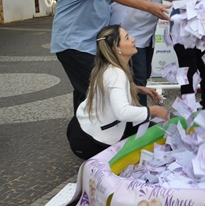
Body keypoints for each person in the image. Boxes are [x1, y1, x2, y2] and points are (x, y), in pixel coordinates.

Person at [67, 25, 169, 160]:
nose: (133, 39)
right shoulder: (116, 74)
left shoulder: (108, 67)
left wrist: (138, 88)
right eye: (127, 38)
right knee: (149, 143)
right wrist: (153, 110)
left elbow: (110, 90)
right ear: (117, 49)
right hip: (88, 141)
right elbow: (122, 112)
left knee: (150, 131)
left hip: (81, 129)